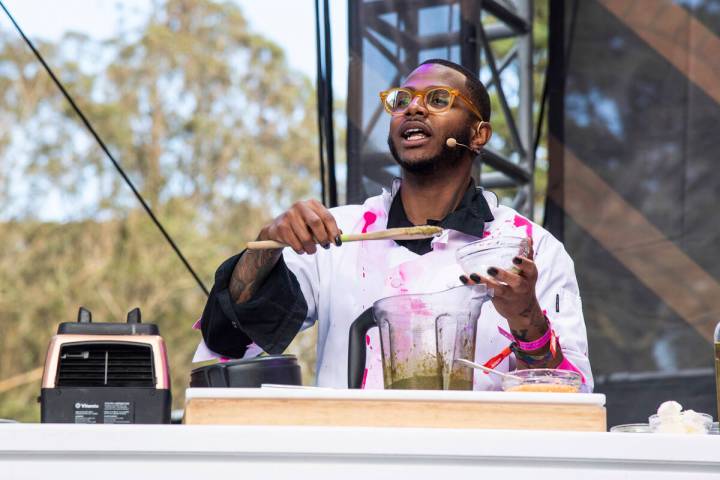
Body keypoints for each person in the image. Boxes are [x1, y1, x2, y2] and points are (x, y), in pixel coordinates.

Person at [195, 58, 592, 390]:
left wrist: (527, 320)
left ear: (479, 134)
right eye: (402, 100)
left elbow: (572, 400)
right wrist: (266, 246)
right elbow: (228, 338)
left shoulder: (529, 249)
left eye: (438, 99)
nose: (413, 109)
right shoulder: (339, 235)